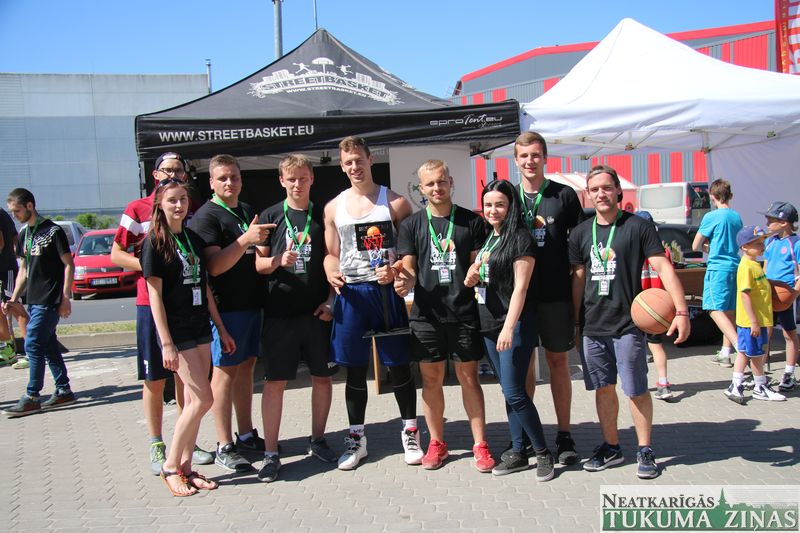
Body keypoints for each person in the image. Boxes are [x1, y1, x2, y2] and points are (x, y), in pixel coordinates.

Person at [569, 165, 690, 480]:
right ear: (588, 194)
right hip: (593, 327)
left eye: (607, 187)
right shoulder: (580, 233)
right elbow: (578, 280)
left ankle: (645, 449)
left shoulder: (637, 227)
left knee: (636, 390)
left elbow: (663, 267)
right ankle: (611, 446)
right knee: (603, 389)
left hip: (628, 325)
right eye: (595, 189)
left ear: (618, 191)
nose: (601, 194)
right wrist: (575, 322)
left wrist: (681, 311)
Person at [110, 152, 213, 474]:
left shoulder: (189, 208)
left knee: (189, 385)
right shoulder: (136, 209)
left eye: (178, 170)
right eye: (167, 170)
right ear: (155, 175)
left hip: (189, 311)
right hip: (151, 304)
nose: (173, 175)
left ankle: (186, 445)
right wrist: (156, 266)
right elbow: (116, 254)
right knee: (155, 378)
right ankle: (157, 444)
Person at [323, 135, 420, 471]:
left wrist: (397, 270)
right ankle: (356, 439)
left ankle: (410, 432)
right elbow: (331, 255)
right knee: (354, 369)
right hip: (352, 295)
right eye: (348, 163)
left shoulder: (395, 203)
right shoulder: (333, 207)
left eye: (359, 160)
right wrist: (331, 271)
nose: (355, 167)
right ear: (342, 166)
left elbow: (409, 252)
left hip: (386, 293)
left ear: (370, 160)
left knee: (399, 366)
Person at [394, 159, 494, 472]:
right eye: (430, 184)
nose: (437, 188)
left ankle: (480, 444)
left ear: (450, 182)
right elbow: (409, 266)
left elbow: (478, 262)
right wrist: (405, 280)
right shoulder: (411, 225)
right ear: (420, 189)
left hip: (464, 312)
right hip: (427, 315)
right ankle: (437, 442)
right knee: (431, 379)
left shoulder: (471, 221)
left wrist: (477, 272)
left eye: (441, 181)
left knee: (469, 378)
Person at [141, 178, 234, 496]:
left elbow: (204, 287)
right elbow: (154, 296)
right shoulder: (154, 242)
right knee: (204, 398)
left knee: (195, 401)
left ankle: (186, 468)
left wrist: (220, 327)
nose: (179, 205)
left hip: (199, 325)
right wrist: (166, 342)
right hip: (176, 330)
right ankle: (170, 467)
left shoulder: (192, 238)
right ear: (160, 204)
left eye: (183, 199)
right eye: (172, 200)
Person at [255, 154, 339, 483]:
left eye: (303, 178)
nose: (297, 184)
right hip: (280, 313)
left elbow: (333, 259)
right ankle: (271, 454)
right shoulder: (270, 216)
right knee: (275, 383)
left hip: (317, 312)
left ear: (312, 179)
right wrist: (278, 260)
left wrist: (331, 301)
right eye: (291, 179)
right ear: (281, 181)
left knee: (323, 378)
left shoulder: (323, 214)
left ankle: (318, 440)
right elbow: (258, 265)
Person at [188, 154, 273, 473]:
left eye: (234, 177)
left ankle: (246, 434)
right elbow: (214, 266)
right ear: (211, 182)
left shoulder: (247, 211)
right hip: (225, 310)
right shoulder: (206, 217)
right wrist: (246, 239)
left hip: (252, 303)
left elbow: (255, 258)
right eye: (222, 178)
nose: (229, 183)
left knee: (246, 368)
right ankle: (224, 445)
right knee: (224, 373)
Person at [463, 179, 553, 480]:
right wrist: (472, 274)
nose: (493, 210)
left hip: (512, 325)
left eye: (499, 204)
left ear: (511, 206)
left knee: (515, 391)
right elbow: (486, 276)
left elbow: (520, 289)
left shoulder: (521, 238)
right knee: (509, 391)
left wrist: (509, 328)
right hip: (489, 323)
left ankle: (543, 452)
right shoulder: (491, 236)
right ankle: (518, 450)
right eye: (488, 205)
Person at [512, 131, 583, 465]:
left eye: (535, 155)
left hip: (556, 294)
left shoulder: (564, 195)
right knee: (524, 366)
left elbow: (579, 245)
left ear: (544, 158)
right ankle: (527, 435)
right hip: (520, 297)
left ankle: (564, 434)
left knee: (557, 363)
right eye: (524, 156)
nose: (530, 161)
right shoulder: (507, 196)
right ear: (516, 160)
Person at [2, 188, 76, 417]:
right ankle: (63, 390)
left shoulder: (53, 231)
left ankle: (32, 396)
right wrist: (13, 299)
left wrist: (65, 297)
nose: (14, 215)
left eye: (17, 211)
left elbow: (68, 264)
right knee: (48, 343)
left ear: (30, 206)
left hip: (50, 299)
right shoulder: (24, 233)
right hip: (33, 300)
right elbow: (23, 269)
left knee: (33, 343)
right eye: (11, 212)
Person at [724, 225, 786, 403]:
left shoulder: (754, 265)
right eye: (757, 243)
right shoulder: (746, 267)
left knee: (745, 352)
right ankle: (759, 386)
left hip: (756, 320)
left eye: (762, 242)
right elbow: (745, 294)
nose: (762, 246)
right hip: (752, 321)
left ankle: (737, 385)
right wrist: (754, 322)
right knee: (756, 354)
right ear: (744, 246)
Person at [692, 179, 743, 367]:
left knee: (713, 309)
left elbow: (696, 245)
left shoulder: (711, 217)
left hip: (718, 268)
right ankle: (725, 353)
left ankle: (740, 346)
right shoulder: (736, 217)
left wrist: (708, 247)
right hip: (734, 266)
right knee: (728, 312)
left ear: (712, 197)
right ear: (730, 195)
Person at [761, 201, 800, 392]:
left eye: (771, 220)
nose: (767, 224)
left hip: (785, 295)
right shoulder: (770, 241)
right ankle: (759, 372)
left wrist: (794, 294)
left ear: (784, 223)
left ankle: (789, 373)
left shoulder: (796, 244)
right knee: (765, 332)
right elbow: (765, 268)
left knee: (788, 333)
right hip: (769, 293)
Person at [635, 211, 674, 401]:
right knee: (656, 346)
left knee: (635, 348)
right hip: (658, 308)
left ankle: (638, 385)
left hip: (637, 306)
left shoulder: (633, 250)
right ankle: (663, 383)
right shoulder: (663, 251)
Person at [0, 207, 21, 364]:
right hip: (8, 266)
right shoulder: (3, 213)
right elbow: (15, 238)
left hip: (5, 269)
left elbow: (0, 243)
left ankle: (37, 350)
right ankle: (8, 351)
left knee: (15, 309)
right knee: (3, 310)